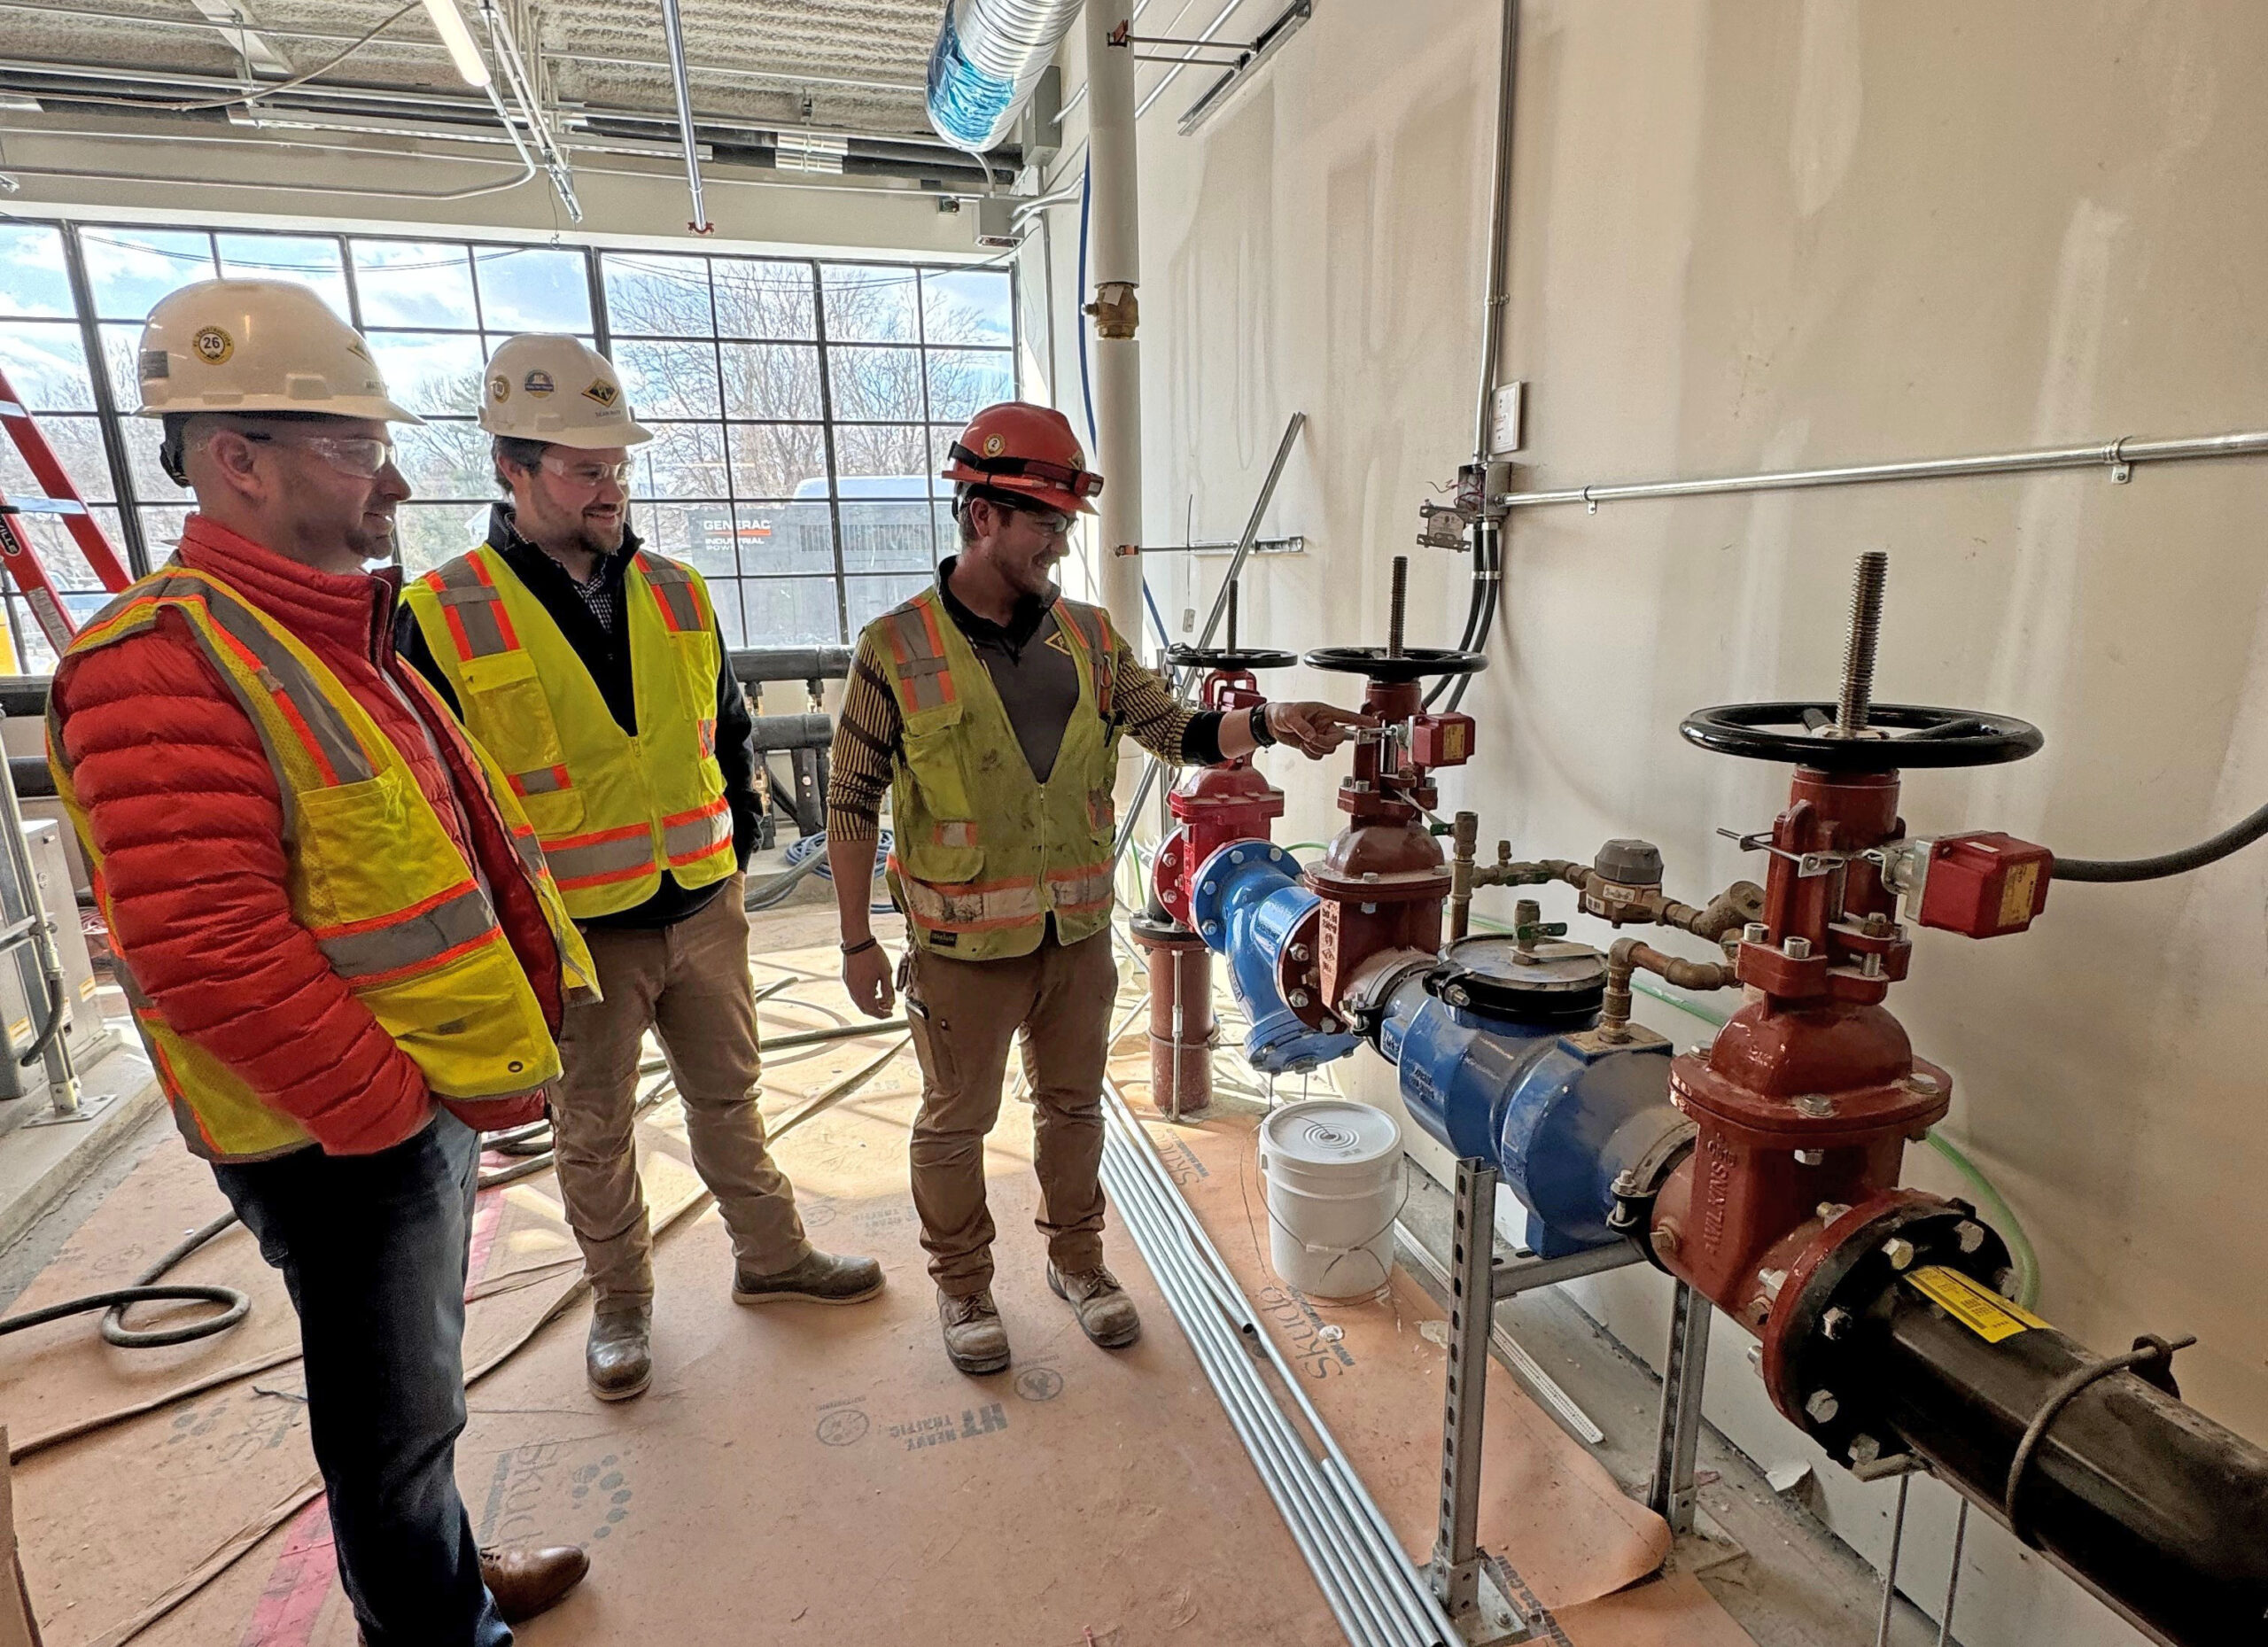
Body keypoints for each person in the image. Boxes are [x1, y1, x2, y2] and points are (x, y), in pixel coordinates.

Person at [46, 281, 594, 1645]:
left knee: (420, 1391)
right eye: (356, 448)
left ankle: (445, 1574)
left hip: (401, 1101)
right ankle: (436, 1625)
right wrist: (390, 1115)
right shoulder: (162, 664)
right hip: (335, 1129)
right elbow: (206, 950)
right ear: (239, 457)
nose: (393, 481)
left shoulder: (321, 630)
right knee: (390, 1418)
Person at [825, 401, 1369, 1374]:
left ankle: (1077, 1261)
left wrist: (1270, 721)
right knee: (956, 1121)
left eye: (1066, 525)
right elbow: (851, 798)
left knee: (1074, 1110)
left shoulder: (1088, 637)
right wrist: (856, 938)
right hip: (960, 950)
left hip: (1074, 938)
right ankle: (963, 1283)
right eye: (1045, 525)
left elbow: (1175, 731)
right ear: (982, 515)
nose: (1060, 546)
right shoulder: (894, 647)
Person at [399, 334, 881, 1404]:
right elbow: (437, 802)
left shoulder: (677, 590)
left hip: (703, 908)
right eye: (584, 468)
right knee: (593, 1127)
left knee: (731, 1096)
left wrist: (731, 852)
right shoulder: (442, 612)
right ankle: (620, 1302)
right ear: (512, 468)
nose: (610, 487)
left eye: (616, 465)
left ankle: (772, 1255)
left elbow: (726, 732)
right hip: (575, 934)